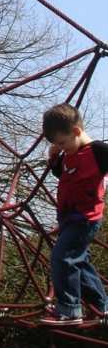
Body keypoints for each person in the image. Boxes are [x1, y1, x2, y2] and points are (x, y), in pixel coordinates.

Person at [40, 102, 108, 325]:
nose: (61, 147)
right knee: (79, 262)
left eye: (62, 142)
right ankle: (102, 307)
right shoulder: (69, 154)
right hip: (69, 219)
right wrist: (54, 157)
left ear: (76, 131)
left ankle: (70, 309)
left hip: (85, 219)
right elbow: (63, 175)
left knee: (62, 257)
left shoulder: (97, 151)